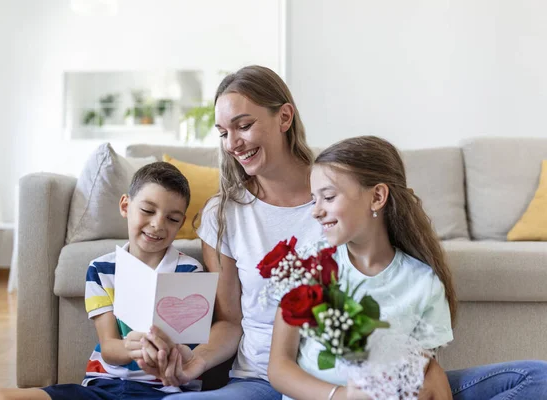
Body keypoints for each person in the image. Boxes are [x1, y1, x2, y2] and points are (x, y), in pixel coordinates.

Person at [110, 66, 547, 399]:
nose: (233, 143)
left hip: (364, 378)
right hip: (264, 382)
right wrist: (193, 362)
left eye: (244, 125)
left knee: (535, 378)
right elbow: (232, 323)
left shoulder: (348, 197)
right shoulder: (224, 214)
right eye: (224, 132)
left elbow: (392, 291)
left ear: (284, 117)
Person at [0, 162, 204, 400]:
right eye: (148, 211)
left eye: (172, 218)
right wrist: (133, 347)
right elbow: (109, 348)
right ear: (125, 206)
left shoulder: (190, 272)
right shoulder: (101, 269)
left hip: (165, 393)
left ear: (181, 224)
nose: (158, 224)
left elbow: (190, 354)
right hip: (102, 389)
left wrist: (170, 351)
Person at [267, 135, 454, 399]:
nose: (316, 211)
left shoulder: (423, 283)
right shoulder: (308, 266)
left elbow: (417, 379)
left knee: (531, 374)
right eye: (314, 200)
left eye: (329, 197)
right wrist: (341, 396)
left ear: (377, 196)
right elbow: (278, 368)